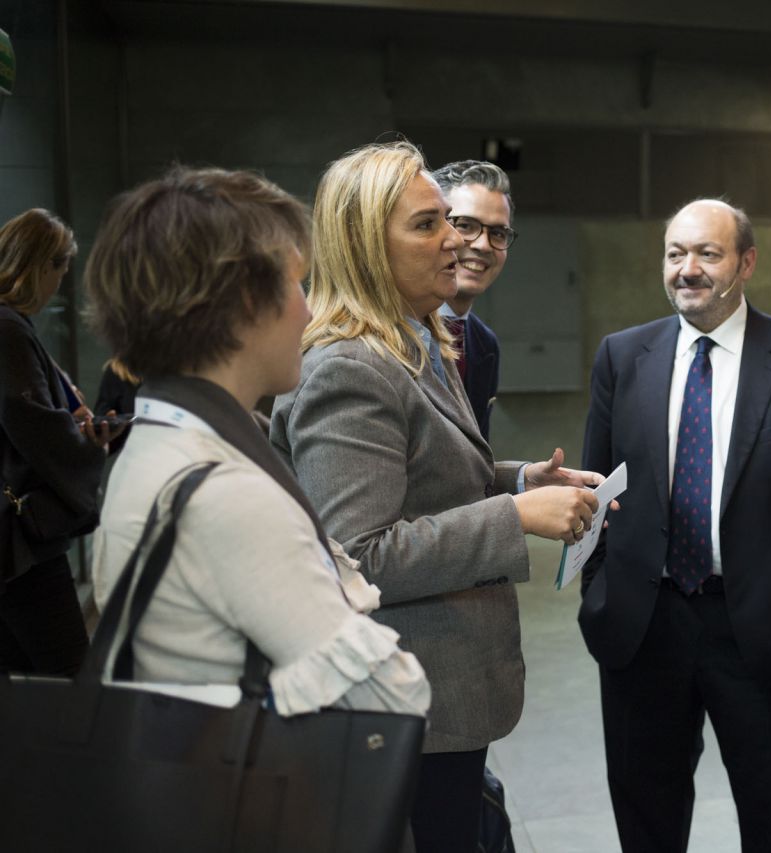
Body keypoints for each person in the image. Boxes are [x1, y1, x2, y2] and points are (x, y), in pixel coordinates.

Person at [270, 140, 602, 853]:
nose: (456, 240)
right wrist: (512, 515)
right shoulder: (348, 369)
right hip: (399, 699)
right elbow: (358, 554)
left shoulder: (413, 340)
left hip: (438, 697)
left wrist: (518, 479)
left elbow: (422, 472)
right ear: (364, 244)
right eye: (429, 225)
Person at [86, 167, 431, 721]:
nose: (309, 310)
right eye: (296, 284)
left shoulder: (161, 439)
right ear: (248, 302)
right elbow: (393, 693)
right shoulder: (225, 493)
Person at [579, 199, 771, 853]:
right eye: (676, 253)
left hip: (766, 636)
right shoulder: (622, 357)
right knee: (646, 825)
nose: (688, 269)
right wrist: (602, 590)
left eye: (707, 253)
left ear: (745, 262)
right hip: (643, 629)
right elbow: (594, 493)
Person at [0, 209, 111, 676]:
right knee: (70, 682)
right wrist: (89, 444)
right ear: (42, 265)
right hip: (22, 547)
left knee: (23, 681)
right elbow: (36, 427)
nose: (59, 286)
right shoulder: (8, 328)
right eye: (61, 271)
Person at [430, 160, 515, 440]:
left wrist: (523, 476)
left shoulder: (484, 343)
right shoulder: (388, 334)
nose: (482, 245)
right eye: (465, 225)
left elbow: (471, 464)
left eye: (498, 233)